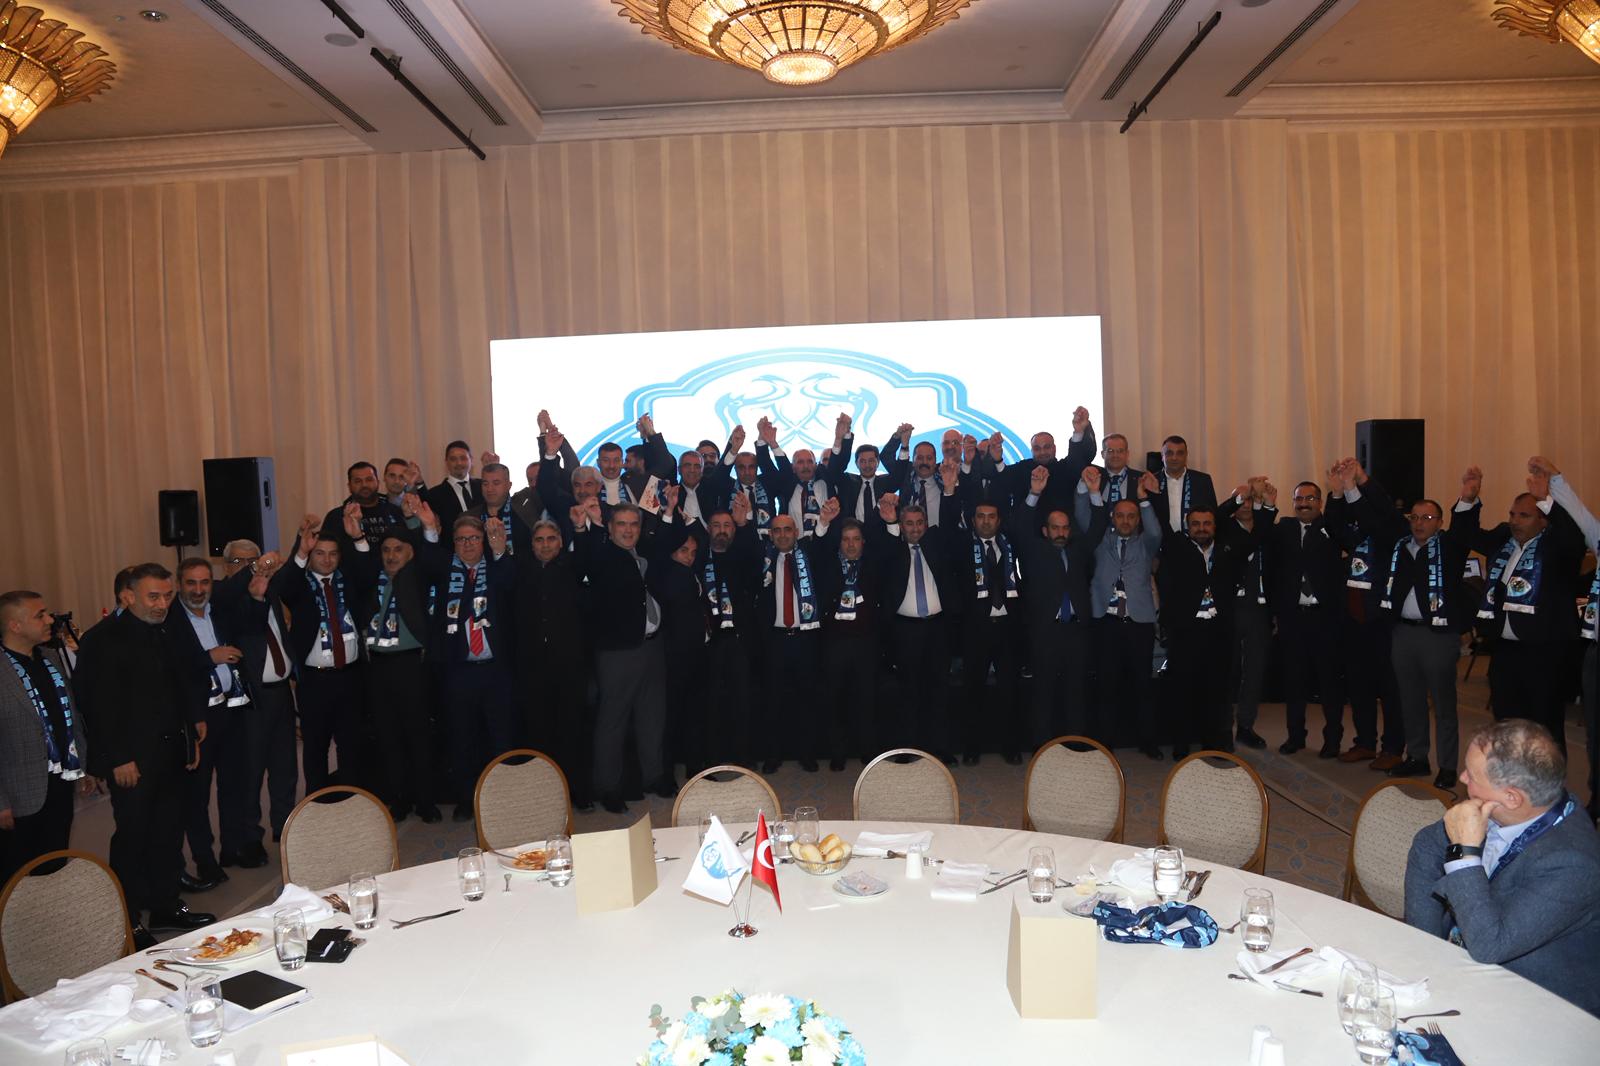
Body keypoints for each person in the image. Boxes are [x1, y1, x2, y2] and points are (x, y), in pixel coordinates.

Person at [1404, 719, 1600, 1017]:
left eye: (1472, 775)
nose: (1462, 777)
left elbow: (1489, 946)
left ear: (1511, 797)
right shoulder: (1510, 808)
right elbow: (1426, 847)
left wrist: (1464, 853)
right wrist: (1428, 952)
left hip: (1534, 1001)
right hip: (1461, 962)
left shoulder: (1574, 865)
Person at [74, 563, 213, 936]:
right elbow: (97, 706)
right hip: (132, 758)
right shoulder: (102, 639)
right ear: (127, 596)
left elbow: (179, 686)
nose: (162, 604)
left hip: (170, 750)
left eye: (167, 596)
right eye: (153, 597)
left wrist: (190, 735)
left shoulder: (165, 629)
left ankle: (165, 906)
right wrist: (118, 757)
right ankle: (128, 920)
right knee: (133, 838)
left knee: (168, 833)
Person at [1455, 465, 1585, 754]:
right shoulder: (1504, 538)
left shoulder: (1557, 546)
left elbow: (1575, 537)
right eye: (1512, 514)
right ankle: (1511, 777)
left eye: (1524, 515)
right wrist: (1468, 499)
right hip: (1504, 650)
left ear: (1543, 521)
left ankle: (1549, 782)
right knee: (1506, 725)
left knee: (1544, 729)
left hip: (1544, 651)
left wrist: (1547, 500)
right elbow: (1465, 536)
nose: (1514, 521)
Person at [1370, 482, 1476, 790]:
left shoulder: (1450, 547)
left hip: (1437, 636)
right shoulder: (1400, 547)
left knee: (1443, 703)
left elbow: (1465, 529)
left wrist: (1467, 500)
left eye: (1427, 518)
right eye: (1414, 517)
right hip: (1403, 632)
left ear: (1440, 522)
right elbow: (1384, 517)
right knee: (1410, 699)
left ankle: (1447, 765)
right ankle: (1417, 756)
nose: (1419, 523)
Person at [572, 500, 672, 812]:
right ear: (610, 528)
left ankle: (653, 776)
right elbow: (584, 561)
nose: (628, 530)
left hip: (652, 647)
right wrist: (582, 529)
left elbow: (669, 543)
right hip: (618, 652)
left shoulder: (642, 554)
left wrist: (668, 512)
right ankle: (608, 787)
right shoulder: (603, 555)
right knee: (612, 721)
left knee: (652, 717)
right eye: (622, 524)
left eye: (633, 524)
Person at [418, 512, 517, 823]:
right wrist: (429, 529)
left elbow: (511, 581)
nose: (468, 544)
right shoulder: (445, 570)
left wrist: (499, 550)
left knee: (501, 737)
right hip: (458, 670)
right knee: (462, 738)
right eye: (461, 539)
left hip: (495, 670)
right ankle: (465, 800)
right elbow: (427, 561)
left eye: (474, 538)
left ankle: (501, 801)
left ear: (483, 540)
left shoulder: (497, 567)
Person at [165, 558, 253, 890]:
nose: (198, 590)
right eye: (191, 583)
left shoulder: (220, 611)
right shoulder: (169, 619)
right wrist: (209, 658)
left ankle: (232, 848)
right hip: (196, 717)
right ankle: (205, 860)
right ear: (179, 584)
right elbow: (172, 669)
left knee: (234, 784)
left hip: (230, 709)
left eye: (204, 582)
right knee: (197, 794)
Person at [270, 511, 373, 794]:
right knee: (315, 746)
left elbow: (369, 574)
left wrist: (358, 537)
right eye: (319, 554)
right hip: (314, 681)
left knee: (351, 745)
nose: (327, 560)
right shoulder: (300, 585)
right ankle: (316, 805)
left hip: (351, 677)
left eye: (332, 554)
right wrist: (300, 552)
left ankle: (351, 802)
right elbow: (281, 586)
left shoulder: (347, 581)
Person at [0, 590, 92, 883]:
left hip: (59, 783)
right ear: (15, 625)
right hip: (17, 794)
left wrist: (83, 766)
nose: (50, 620)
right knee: (14, 877)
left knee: (54, 866)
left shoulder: (50, 658)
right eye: (40, 615)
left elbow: (70, 714)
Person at [351, 522, 440, 824]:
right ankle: (399, 799)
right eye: (386, 550)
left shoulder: (416, 576)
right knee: (388, 736)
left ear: (410, 553)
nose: (391, 556)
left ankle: (425, 801)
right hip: (378, 666)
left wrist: (421, 524)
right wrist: (359, 538)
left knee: (418, 735)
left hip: (410, 665)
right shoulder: (372, 580)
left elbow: (431, 557)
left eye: (398, 550)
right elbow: (359, 565)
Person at [211, 539, 298, 845]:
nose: (252, 568)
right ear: (226, 566)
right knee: (251, 770)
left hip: (281, 692)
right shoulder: (224, 597)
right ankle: (249, 837)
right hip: (253, 697)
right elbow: (243, 615)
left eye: (255, 561)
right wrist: (255, 577)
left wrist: (298, 549)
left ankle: (285, 828)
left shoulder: (268, 590)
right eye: (242, 563)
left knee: (285, 767)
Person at [1158, 501, 1259, 756]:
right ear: (1187, 527)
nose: (1201, 528)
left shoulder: (1227, 550)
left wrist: (1252, 507)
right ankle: (1181, 744)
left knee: (1217, 690)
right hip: (1185, 631)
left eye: (1207, 524)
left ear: (1215, 526)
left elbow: (1252, 541)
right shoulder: (1176, 547)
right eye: (1195, 524)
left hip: (1218, 630)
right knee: (1182, 690)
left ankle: (1212, 743)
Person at [1325, 459, 1407, 769]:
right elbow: (1334, 528)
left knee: (1389, 686)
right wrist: (1336, 494)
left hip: (1381, 618)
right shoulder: (1357, 533)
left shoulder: (1393, 530)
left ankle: (1393, 747)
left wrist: (1357, 483)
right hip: (1353, 617)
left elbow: (1376, 516)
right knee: (1358, 683)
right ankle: (1365, 742)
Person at [1013, 466, 1103, 748]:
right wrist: (1034, 493)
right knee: (1044, 692)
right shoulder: (1034, 550)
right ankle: (1042, 747)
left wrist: (1095, 493)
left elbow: (1098, 528)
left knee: (1076, 691)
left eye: (1065, 528)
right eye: (1055, 528)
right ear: (1045, 530)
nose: (1061, 532)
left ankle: (1074, 745)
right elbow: (1019, 526)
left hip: (1076, 631)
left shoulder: (1078, 550)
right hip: (1045, 632)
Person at [1263, 477, 1351, 758]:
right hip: (1293, 619)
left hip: (1325, 618)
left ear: (1320, 502)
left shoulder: (1331, 527)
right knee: (1294, 681)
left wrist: (1337, 495)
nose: (1304, 504)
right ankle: (1295, 736)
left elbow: (1344, 533)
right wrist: (1268, 506)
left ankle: (1333, 739)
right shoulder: (1285, 529)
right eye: (1299, 499)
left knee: (1329, 683)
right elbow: (1264, 545)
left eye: (1310, 498)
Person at [1533, 455, 1600, 818]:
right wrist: (1555, 482)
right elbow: (1582, 518)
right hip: (1595, 652)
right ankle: (1598, 798)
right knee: (1595, 734)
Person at [1080, 469, 1164, 756]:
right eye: (1120, 516)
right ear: (1112, 518)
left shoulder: (1146, 544)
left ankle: (1148, 741)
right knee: (1106, 685)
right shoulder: (1100, 542)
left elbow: (1156, 531)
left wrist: (1143, 499)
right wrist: (1091, 492)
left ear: (1137, 519)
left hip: (1139, 624)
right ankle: (1105, 742)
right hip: (1106, 622)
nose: (1126, 521)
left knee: (1142, 685)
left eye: (1131, 516)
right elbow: (1085, 520)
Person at [870, 494, 957, 762]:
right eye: (909, 523)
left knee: (938, 690)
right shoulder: (894, 552)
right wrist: (890, 523)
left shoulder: (936, 548)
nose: (915, 528)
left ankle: (940, 749)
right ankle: (907, 749)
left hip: (937, 629)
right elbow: (884, 552)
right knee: (908, 691)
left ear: (926, 524)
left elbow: (950, 526)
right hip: (905, 631)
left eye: (919, 522)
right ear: (902, 525)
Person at [514, 518, 592, 808]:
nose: (545, 545)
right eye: (539, 540)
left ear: (560, 542)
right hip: (533, 666)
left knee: (572, 729)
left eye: (551, 539)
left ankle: (577, 793)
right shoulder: (521, 570)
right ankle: (544, 797)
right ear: (532, 544)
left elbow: (586, 555)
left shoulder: (571, 567)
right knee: (538, 731)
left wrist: (580, 529)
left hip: (569, 665)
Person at [755, 507, 835, 773]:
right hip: (775, 641)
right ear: (770, 535)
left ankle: (807, 754)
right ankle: (773, 755)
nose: (782, 535)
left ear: (797, 533)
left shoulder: (807, 556)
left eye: (787, 530)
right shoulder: (763, 560)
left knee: (807, 700)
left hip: (805, 639)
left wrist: (824, 522)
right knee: (773, 701)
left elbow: (822, 545)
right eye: (776, 531)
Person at [950, 497, 1024, 765]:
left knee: (1009, 691)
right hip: (976, 630)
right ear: (973, 521)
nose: (986, 521)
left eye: (991, 516)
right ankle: (972, 748)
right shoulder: (961, 547)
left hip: (1007, 628)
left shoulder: (1011, 545)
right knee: (973, 692)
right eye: (981, 516)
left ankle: (1010, 746)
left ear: (999, 520)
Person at [695, 501, 763, 769]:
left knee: (742, 700)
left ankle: (743, 757)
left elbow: (757, 558)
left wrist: (744, 524)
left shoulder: (742, 557)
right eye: (716, 525)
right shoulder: (698, 558)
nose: (721, 530)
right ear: (708, 530)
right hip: (709, 641)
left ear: (734, 530)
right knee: (710, 701)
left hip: (739, 639)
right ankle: (711, 759)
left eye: (727, 525)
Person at [815, 516, 885, 769]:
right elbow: (816, 548)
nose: (851, 544)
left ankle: (868, 750)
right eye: (846, 539)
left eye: (856, 539)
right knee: (836, 699)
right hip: (835, 643)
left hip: (866, 642)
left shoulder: (873, 565)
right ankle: (838, 752)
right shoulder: (828, 565)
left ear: (863, 542)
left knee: (866, 698)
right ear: (840, 543)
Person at [1220, 481, 1272, 749]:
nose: (1245, 505)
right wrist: (1237, 497)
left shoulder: (1268, 530)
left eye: (1249, 499)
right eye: (1239, 500)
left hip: (1260, 609)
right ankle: (1223, 727)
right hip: (1231, 608)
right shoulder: (1223, 529)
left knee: (1255, 670)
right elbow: (1216, 514)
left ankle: (1246, 726)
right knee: (1228, 669)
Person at [825, 413, 909, 523]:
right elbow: (834, 470)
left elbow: (900, 473)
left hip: (880, 532)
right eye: (863, 461)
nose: (867, 465)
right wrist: (841, 437)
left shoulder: (886, 482)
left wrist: (904, 445)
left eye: (871, 461)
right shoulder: (847, 481)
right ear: (856, 463)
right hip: (852, 532)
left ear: (878, 462)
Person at [323, 461, 407, 551]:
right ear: (349, 486)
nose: (364, 485)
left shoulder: (395, 511)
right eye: (358, 481)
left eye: (369, 479)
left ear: (378, 482)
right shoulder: (336, 517)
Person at [1150, 435, 1219, 538]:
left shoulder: (1202, 480)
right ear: (1162, 456)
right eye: (1169, 453)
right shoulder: (1151, 482)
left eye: (1180, 453)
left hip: (1195, 541)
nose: (1174, 458)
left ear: (1186, 455)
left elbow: (1212, 514)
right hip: (1160, 542)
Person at [426, 440, 482, 528]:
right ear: (446, 462)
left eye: (463, 458)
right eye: (453, 459)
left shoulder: (483, 486)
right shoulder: (434, 495)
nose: (459, 463)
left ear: (471, 460)